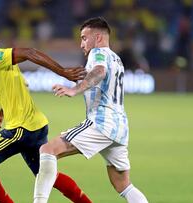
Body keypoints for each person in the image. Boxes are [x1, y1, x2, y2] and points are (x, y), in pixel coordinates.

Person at [0, 20, 92, 203]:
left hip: (21, 130)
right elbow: (20, 84)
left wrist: (63, 72)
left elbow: (30, 52)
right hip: (36, 126)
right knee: (47, 176)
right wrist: (2, 113)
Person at [33, 17, 149, 203]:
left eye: (84, 38)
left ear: (98, 38)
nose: (81, 44)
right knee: (123, 184)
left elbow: (100, 71)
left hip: (102, 122)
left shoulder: (98, 53)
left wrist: (74, 90)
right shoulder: (116, 58)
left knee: (48, 149)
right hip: (120, 127)